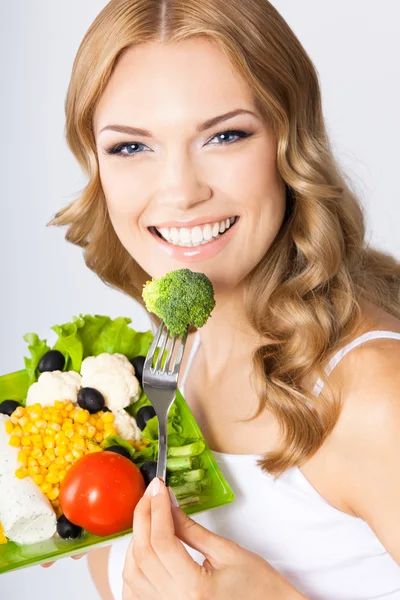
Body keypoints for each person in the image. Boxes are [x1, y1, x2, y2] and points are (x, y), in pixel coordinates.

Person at [47, 0, 400, 598]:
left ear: (290, 142)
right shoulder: (168, 360)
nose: (181, 191)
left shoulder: (373, 396)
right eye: (131, 147)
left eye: (225, 135)